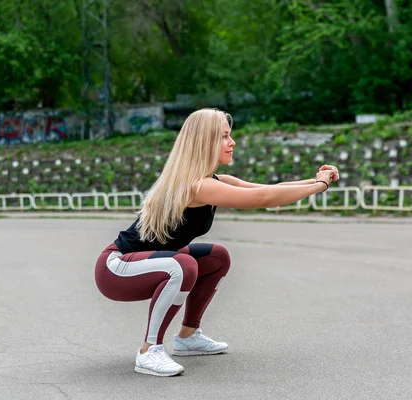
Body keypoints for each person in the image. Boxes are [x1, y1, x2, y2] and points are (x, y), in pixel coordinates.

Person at [94, 108, 339, 377]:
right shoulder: (197, 187)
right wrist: (319, 186)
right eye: (224, 137)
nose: (232, 142)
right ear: (204, 142)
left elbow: (266, 190)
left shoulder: (215, 182)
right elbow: (264, 201)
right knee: (182, 265)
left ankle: (188, 337)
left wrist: (316, 178)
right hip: (116, 268)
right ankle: (148, 351)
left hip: (146, 265)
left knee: (216, 257)